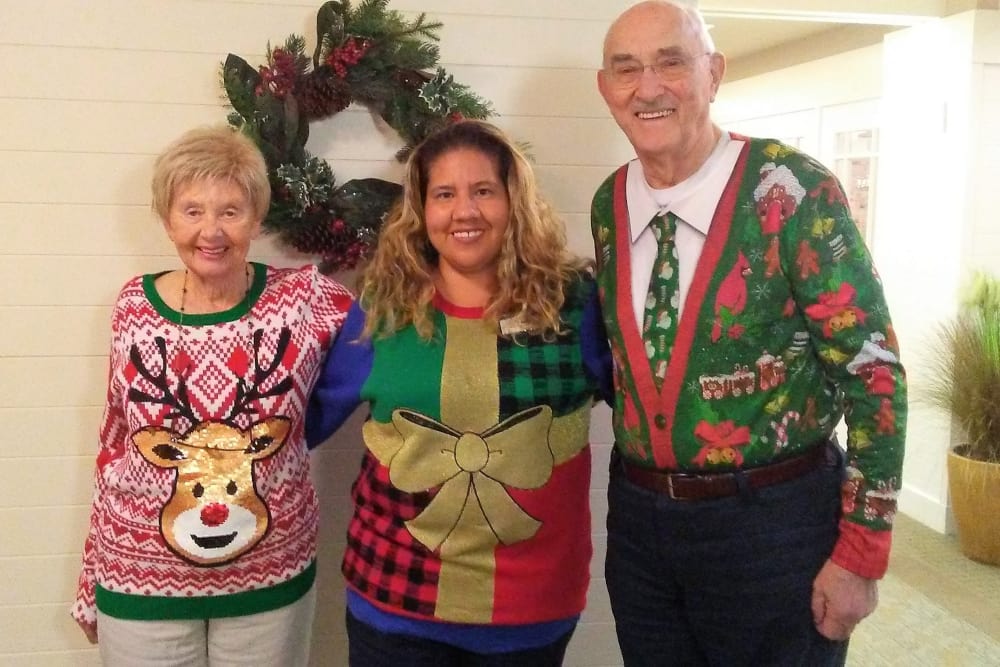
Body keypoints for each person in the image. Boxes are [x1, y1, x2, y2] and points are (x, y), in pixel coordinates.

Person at [590, 2, 907, 665]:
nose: (648, 87)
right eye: (627, 69)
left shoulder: (793, 190)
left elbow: (873, 371)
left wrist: (863, 550)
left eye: (671, 62)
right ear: (606, 89)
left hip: (774, 525)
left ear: (714, 73)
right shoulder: (609, 203)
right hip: (642, 526)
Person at [305, 119, 611, 666]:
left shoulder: (575, 307)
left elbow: (648, 413)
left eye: (484, 191)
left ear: (514, 201)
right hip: (395, 602)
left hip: (531, 611)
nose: (464, 211)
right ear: (421, 212)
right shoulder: (381, 311)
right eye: (444, 194)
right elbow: (300, 423)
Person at [70, 125, 353, 666]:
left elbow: (394, 330)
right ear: (166, 217)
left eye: (231, 211)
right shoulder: (133, 307)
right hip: (140, 582)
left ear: (257, 217)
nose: (211, 231)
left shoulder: (305, 298)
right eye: (192, 210)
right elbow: (112, 448)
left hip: (268, 583)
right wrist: (90, 576)